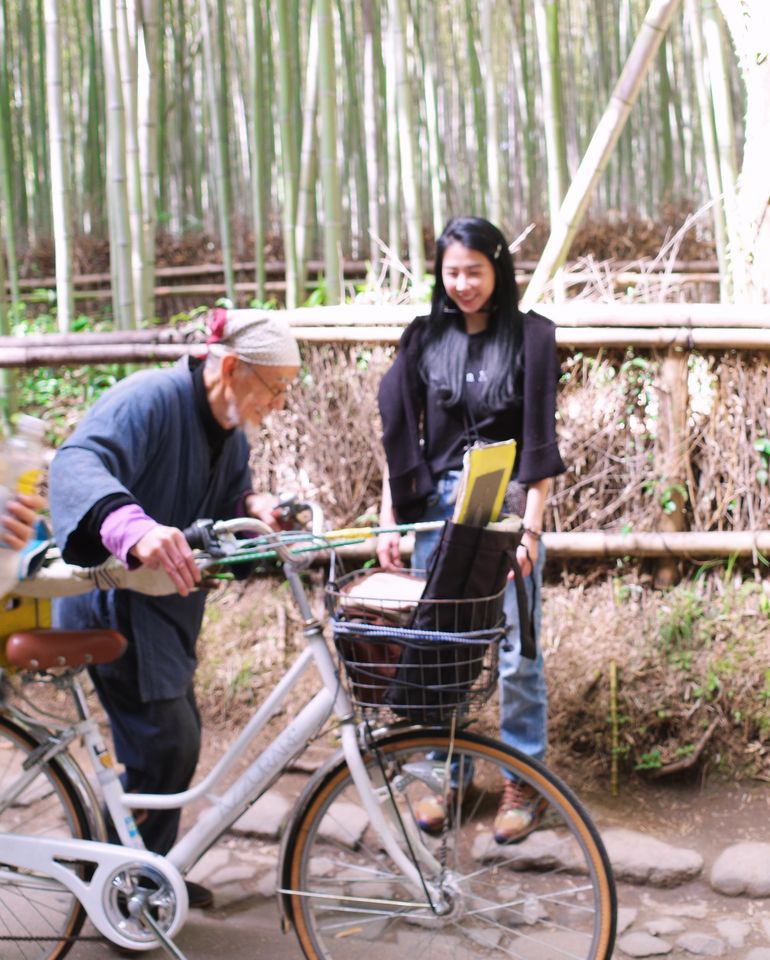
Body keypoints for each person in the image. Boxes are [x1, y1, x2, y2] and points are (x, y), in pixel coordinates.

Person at [49, 310, 300, 907]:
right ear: (231, 367)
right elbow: (76, 463)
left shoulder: (228, 429)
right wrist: (132, 526)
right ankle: (126, 884)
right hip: (114, 602)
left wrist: (253, 507)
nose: (277, 405)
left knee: (168, 745)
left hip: (164, 610)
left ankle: (140, 871)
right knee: (167, 741)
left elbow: (225, 496)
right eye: (274, 388)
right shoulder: (150, 398)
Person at [376, 216, 565, 843]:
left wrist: (531, 531)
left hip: (506, 512)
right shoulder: (423, 338)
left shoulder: (532, 338)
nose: (462, 284)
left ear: (498, 269)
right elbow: (401, 439)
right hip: (438, 511)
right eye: (451, 272)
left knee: (516, 653)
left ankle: (523, 781)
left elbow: (540, 443)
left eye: (474, 271)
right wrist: (389, 520)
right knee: (440, 648)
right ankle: (446, 772)